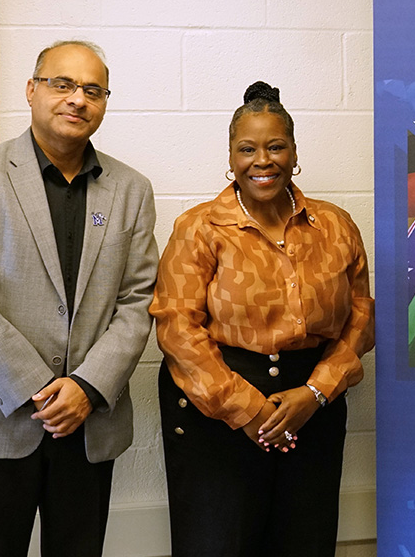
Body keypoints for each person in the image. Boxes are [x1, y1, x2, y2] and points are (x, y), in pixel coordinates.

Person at [0, 40, 157, 557]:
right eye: (62, 84)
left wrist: (86, 387)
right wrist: (43, 389)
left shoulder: (131, 190)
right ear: (32, 91)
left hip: (87, 422)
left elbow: (139, 300)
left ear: (103, 103)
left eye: (92, 90)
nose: (77, 99)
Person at [151, 81, 374, 557]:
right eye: (247, 149)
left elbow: (360, 317)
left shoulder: (336, 224)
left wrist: (316, 393)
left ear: (294, 153)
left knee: (304, 539)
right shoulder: (199, 228)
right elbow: (176, 327)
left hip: (312, 404)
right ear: (230, 158)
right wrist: (249, 412)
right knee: (219, 541)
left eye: (276, 146)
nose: (262, 160)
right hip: (219, 409)